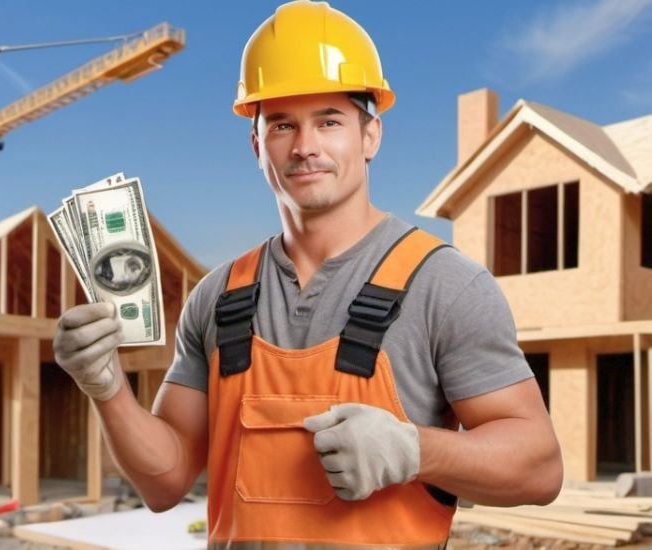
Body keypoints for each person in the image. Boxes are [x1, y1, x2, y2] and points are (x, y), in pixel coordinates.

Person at [54, 1, 563, 548]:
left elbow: (539, 469)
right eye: (281, 125)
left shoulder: (443, 285)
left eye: (329, 121)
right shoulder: (217, 297)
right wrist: (106, 389)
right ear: (257, 145)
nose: (305, 146)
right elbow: (166, 480)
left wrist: (416, 450)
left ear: (370, 137)